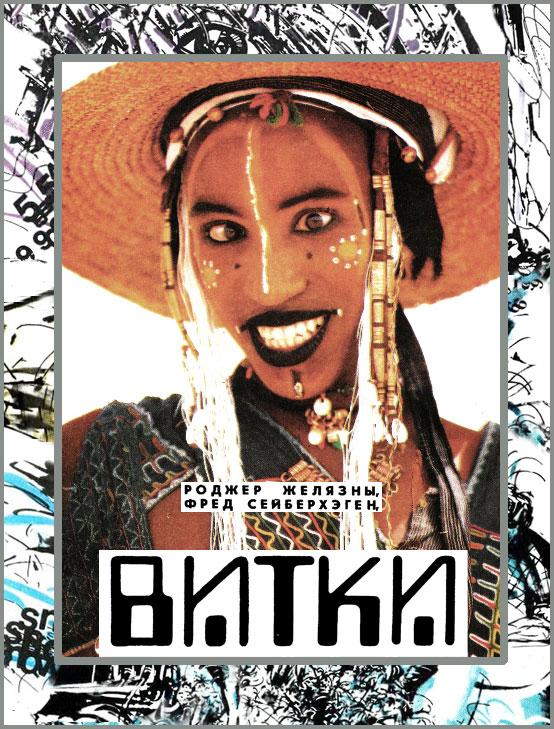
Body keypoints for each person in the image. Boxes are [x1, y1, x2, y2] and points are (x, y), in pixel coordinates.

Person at [61, 61, 500, 662]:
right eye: (223, 232)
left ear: (398, 228)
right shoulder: (100, 466)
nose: (269, 286)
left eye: (315, 221)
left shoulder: (508, 486)